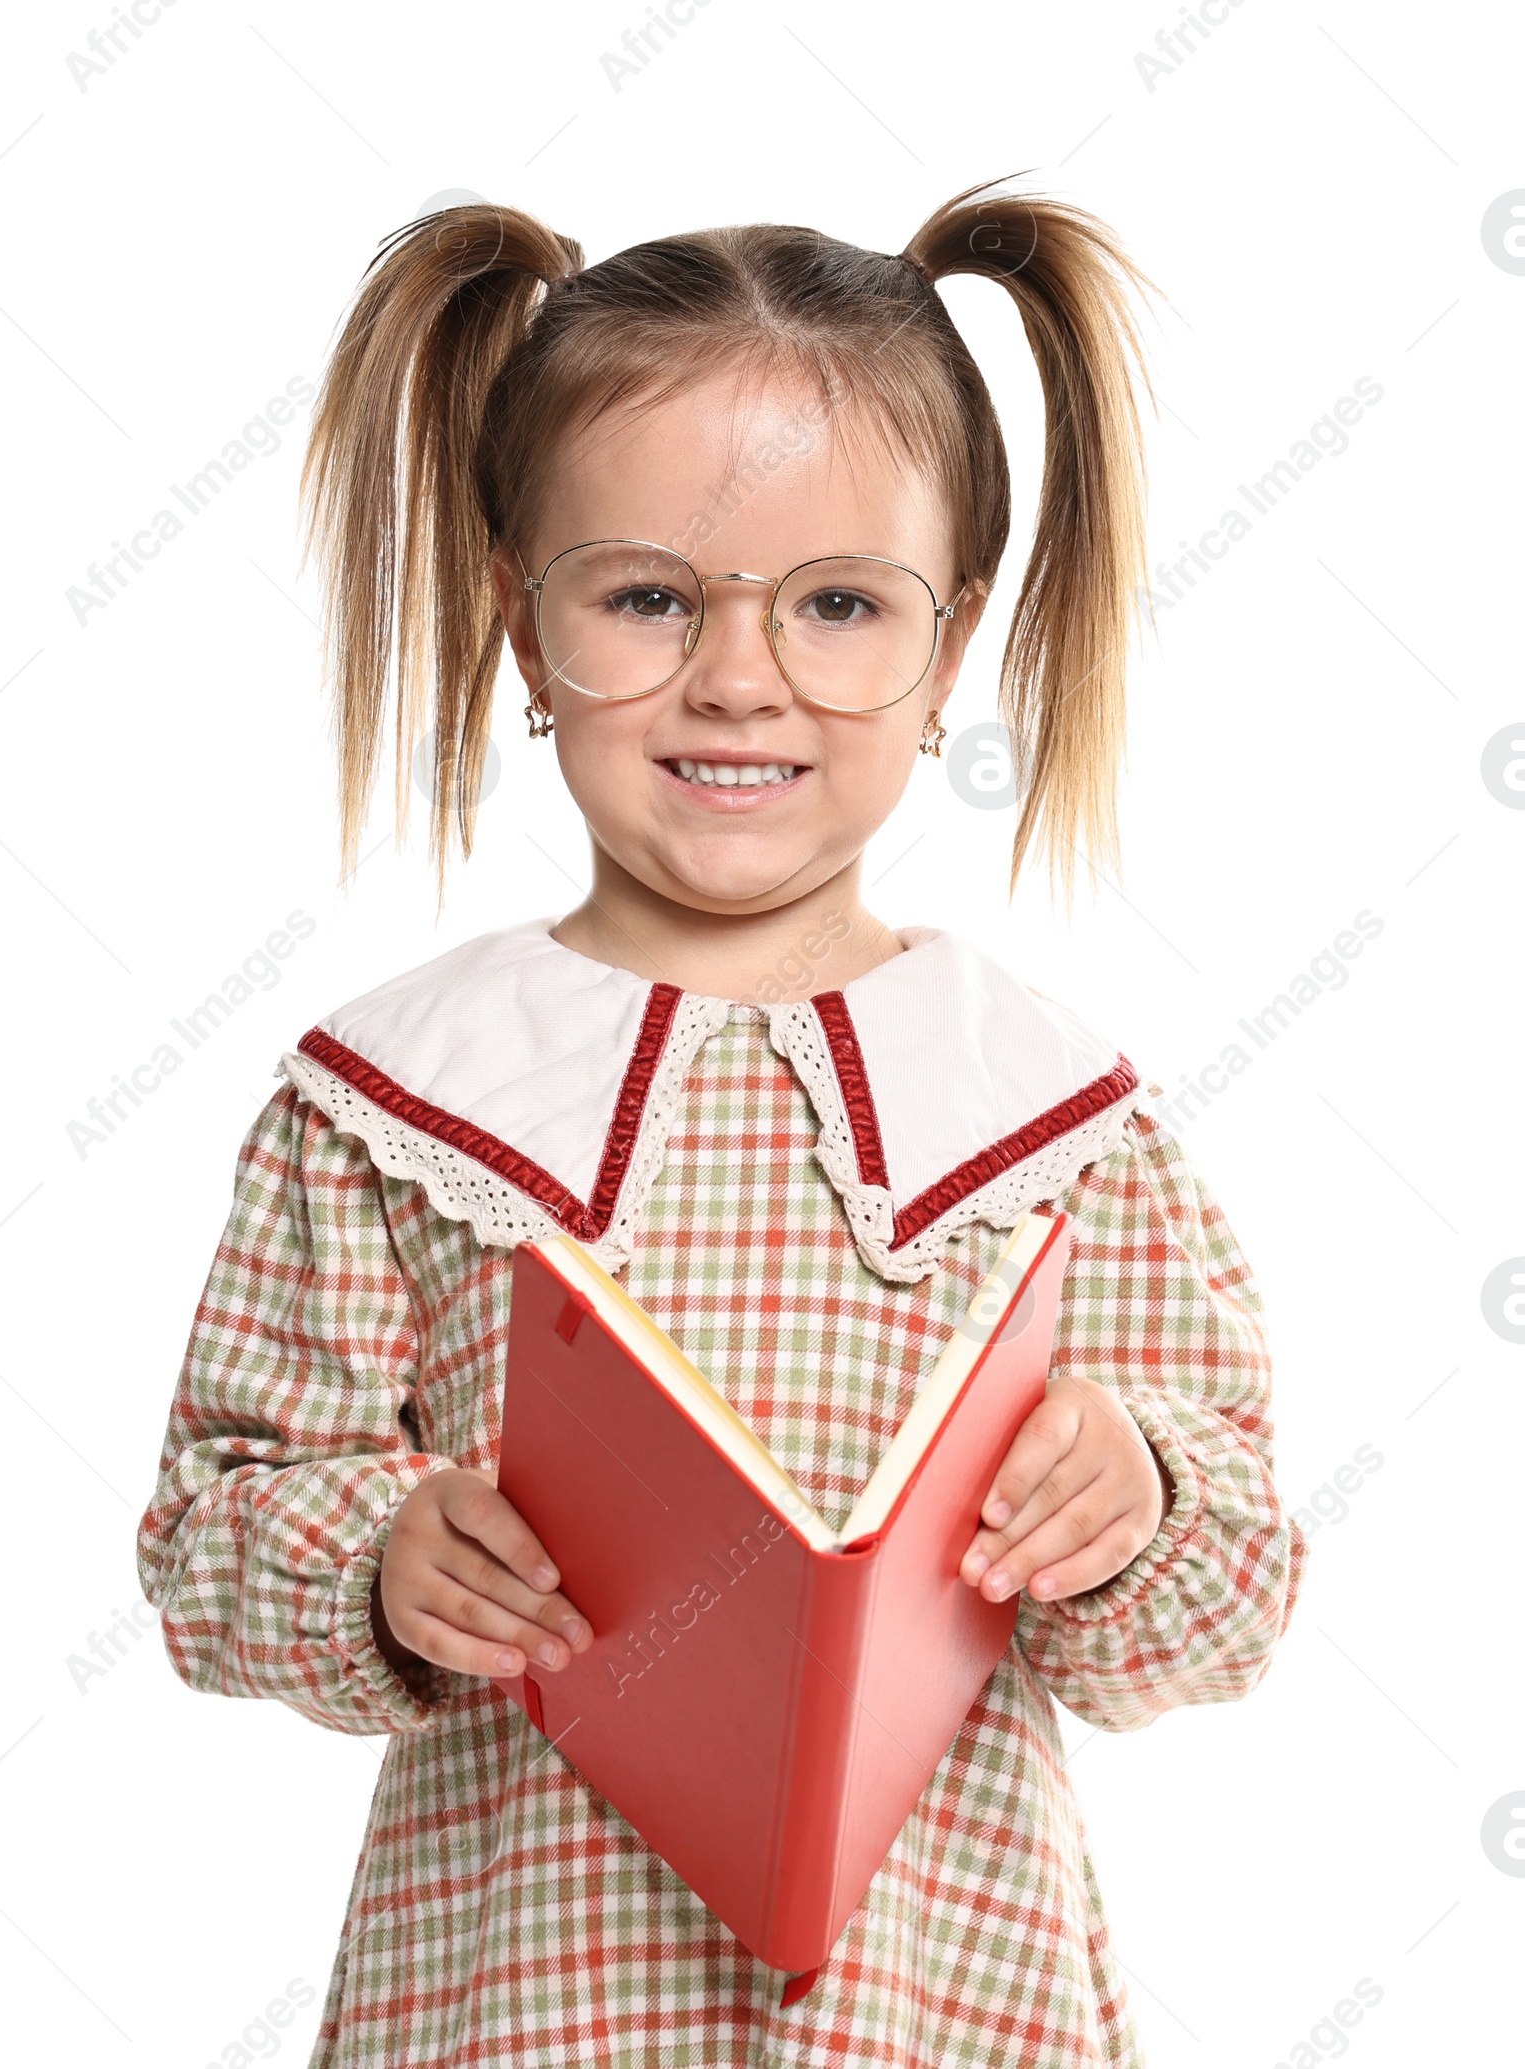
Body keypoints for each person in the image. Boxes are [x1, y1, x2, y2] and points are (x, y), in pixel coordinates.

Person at [136, 179, 1308, 2067]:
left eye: (839, 602)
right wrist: (383, 1551)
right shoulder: (388, 1103)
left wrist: (1137, 1495)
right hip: (518, 2006)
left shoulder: (1057, 1120)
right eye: (650, 596)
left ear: (953, 643)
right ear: (523, 620)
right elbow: (209, 1531)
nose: (740, 676)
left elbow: (1232, 1600)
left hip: (944, 2008)